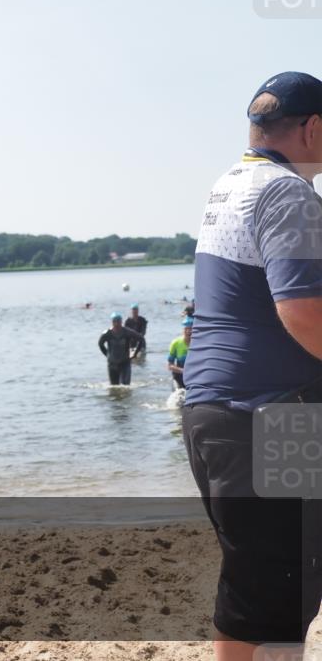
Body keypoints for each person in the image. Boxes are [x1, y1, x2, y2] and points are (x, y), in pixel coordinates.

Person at [183, 71, 322, 656]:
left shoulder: (232, 184)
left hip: (216, 411)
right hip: (270, 413)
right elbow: (303, 312)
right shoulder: (288, 192)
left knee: (266, 589)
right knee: (275, 592)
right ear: (313, 130)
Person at [97, 312, 145, 386]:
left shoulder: (127, 332)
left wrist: (135, 354)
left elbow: (141, 339)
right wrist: (107, 354)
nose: (116, 324)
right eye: (114, 321)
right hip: (112, 364)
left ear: (121, 321)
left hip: (125, 363)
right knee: (114, 387)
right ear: (112, 322)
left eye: (118, 321)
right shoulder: (107, 333)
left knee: (125, 386)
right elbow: (100, 344)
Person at [167, 317, 192, 389]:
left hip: (193, 377)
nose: (188, 331)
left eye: (191, 329)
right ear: (183, 330)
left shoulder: (198, 343)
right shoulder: (175, 343)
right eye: (186, 329)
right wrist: (183, 371)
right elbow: (169, 366)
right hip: (178, 377)